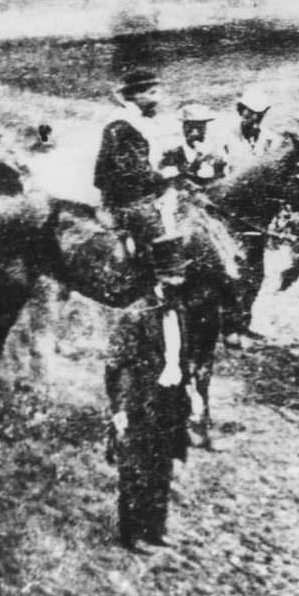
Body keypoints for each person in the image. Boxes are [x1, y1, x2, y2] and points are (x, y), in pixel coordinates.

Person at [94, 69, 186, 387]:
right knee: (166, 270)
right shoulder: (123, 127)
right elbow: (129, 175)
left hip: (135, 199)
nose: (158, 98)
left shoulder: (136, 124)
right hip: (129, 204)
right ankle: (167, 292)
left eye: (157, 92)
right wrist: (164, 176)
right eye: (152, 93)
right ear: (137, 95)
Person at [105, 304, 191, 553]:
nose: (178, 281)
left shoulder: (179, 313)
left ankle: (154, 529)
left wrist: (189, 392)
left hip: (170, 400)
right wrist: (120, 408)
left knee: (162, 465)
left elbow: (181, 359)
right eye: (170, 276)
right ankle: (131, 533)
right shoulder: (136, 315)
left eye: (180, 275)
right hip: (140, 402)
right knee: (136, 466)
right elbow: (118, 365)